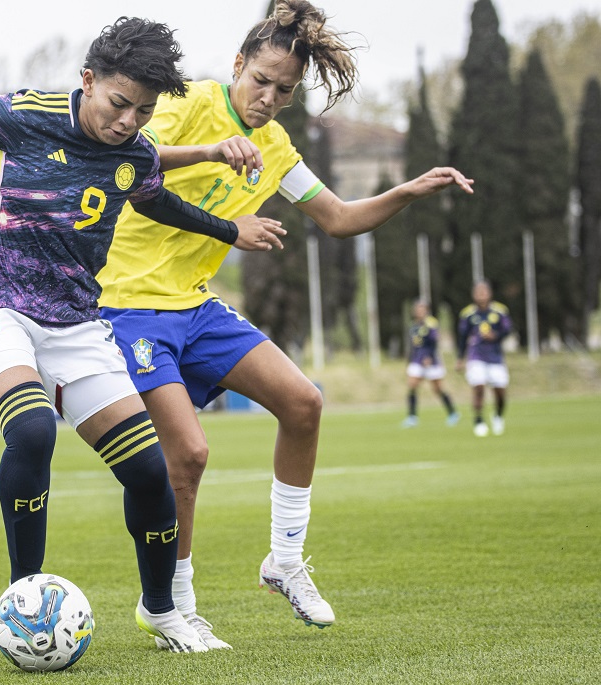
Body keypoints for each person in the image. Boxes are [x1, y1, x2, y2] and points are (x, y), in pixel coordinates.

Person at [0, 17, 282, 653]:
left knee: (149, 470)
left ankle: (162, 612)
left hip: (77, 323)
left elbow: (154, 199)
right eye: (118, 102)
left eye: (143, 110)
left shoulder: (132, 154)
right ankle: (27, 599)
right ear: (88, 80)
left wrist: (226, 230)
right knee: (30, 428)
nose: (128, 121)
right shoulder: (26, 114)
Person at [95, 0, 474, 646]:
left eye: (284, 90)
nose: (268, 97)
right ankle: (170, 608)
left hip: (193, 305)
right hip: (126, 306)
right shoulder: (188, 102)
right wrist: (214, 153)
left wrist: (407, 192)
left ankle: (285, 562)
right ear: (237, 64)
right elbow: (131, 171)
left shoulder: (275, 149)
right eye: (260, 80)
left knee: (303, 403)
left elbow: (339, 217)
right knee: (186, 455)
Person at [456, 280, 512, 438]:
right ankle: (479, 420)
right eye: (478, 292)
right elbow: (462, 338)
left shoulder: (500, 311)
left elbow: (507, 331)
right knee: (478, 387)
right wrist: (460, 358)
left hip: (495, 357)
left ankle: (498, 416)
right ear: (473, 294)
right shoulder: (468, 314)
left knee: (500, 392)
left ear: (489, 293)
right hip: (476, 356)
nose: (481, 295)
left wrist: (495, 336)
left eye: (484, 291)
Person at [403, 299, 459, 428]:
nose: (419, 312)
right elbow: (412, 345)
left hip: (431, 362)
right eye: (417, 309)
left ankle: (452, 413)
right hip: (417, 361)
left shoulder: (431, 324)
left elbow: (434, 342)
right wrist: (409, 359)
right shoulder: (413, 326)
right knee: (412, 385)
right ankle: (412, 417)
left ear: (426, 310)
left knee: (438, 389)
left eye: (422, 309)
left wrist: (429, 356)